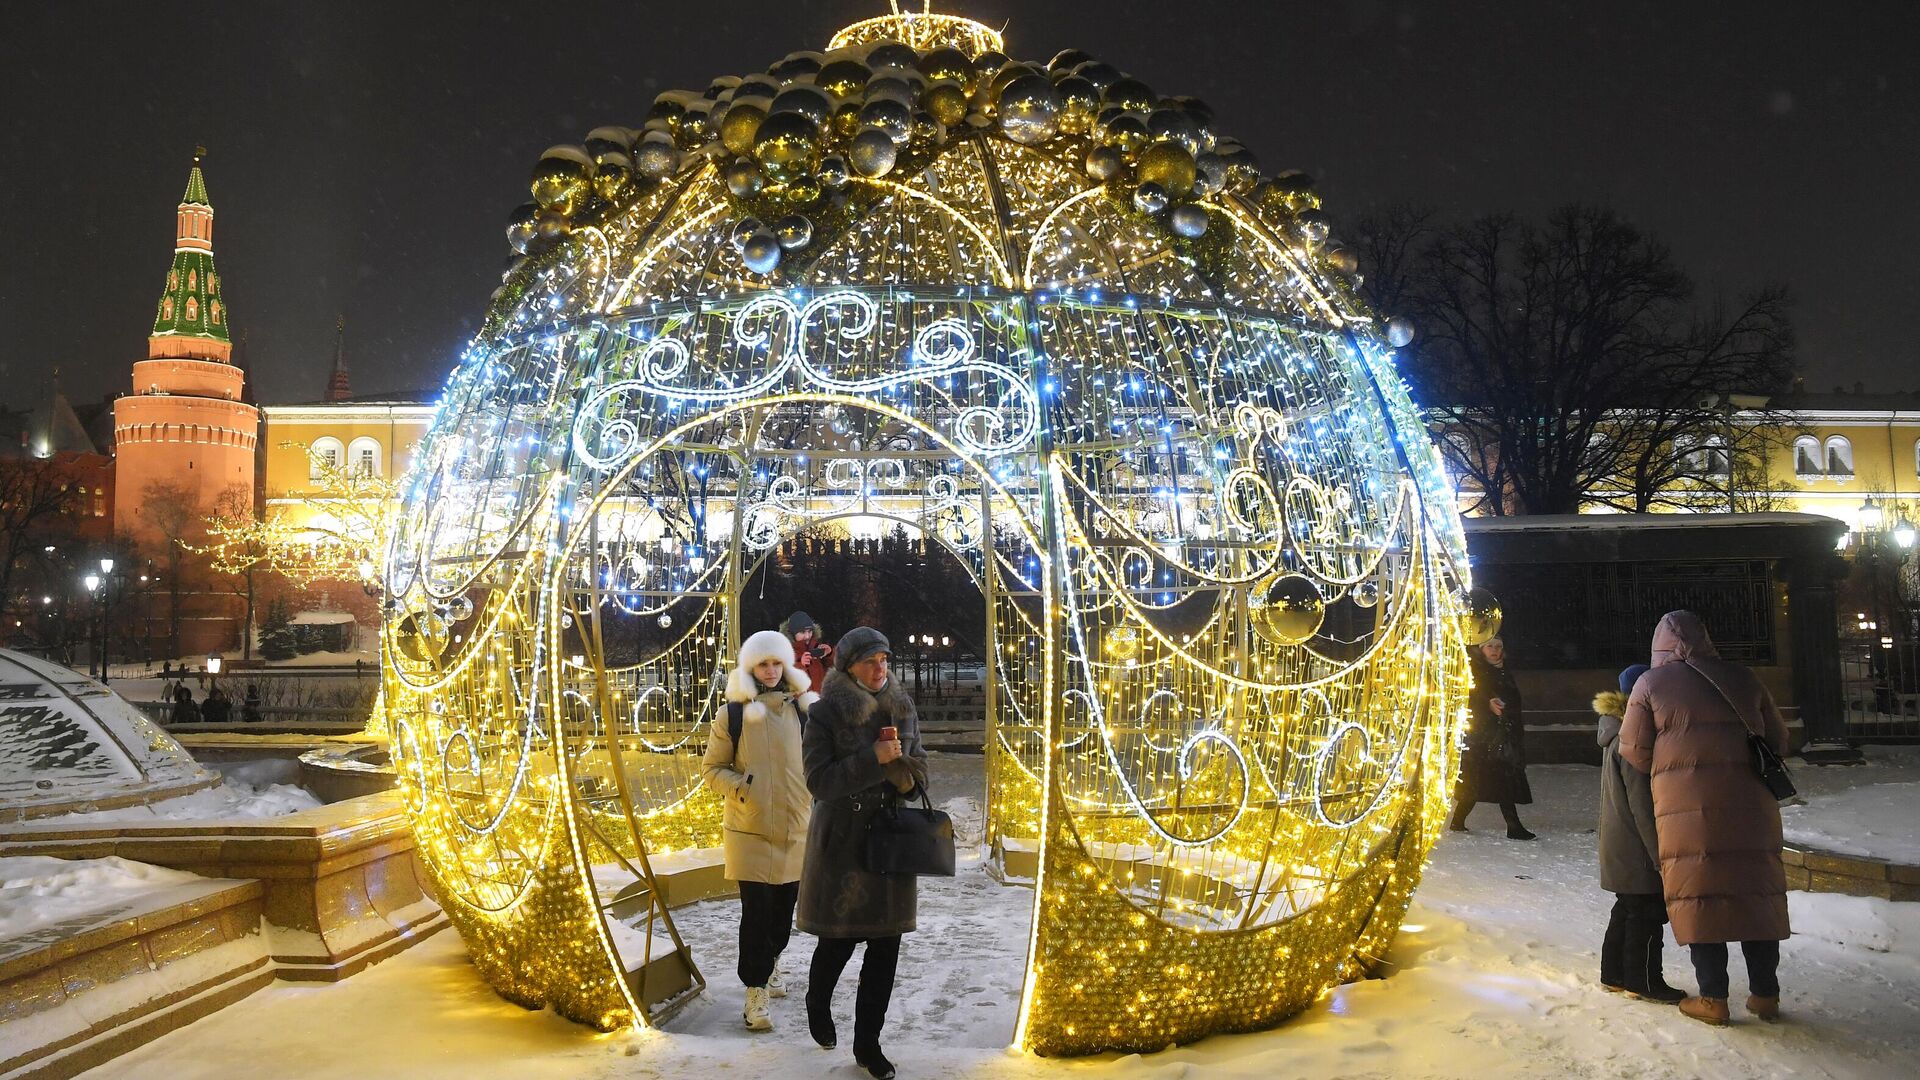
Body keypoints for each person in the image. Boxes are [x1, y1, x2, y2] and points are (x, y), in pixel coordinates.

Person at [1620, 610, 1790, 1026]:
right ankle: (1765, 995)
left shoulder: (1650, 684)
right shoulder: (1744, 678)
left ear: (1659, 646)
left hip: (1687, 810)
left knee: (1701, 894)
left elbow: (1633, 749)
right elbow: (1779, 739)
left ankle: (1713, 998)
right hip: (1751, 806)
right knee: (1755, 895)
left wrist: (1677, 762)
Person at [797, 627, 927, 1080]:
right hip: (844, 843)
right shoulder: (825, 713)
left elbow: (920, 768)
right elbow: (819, 781)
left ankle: (868, 1044)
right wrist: (873, 759)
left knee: (885, 946)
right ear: (849, 666)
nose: (880, 669)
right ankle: (817, 999)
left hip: (890, 843)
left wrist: (905, 776)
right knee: (839, 938)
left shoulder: (902, 705)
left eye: (885, 660)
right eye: (871, 661)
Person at [700, 629, 817, 1033]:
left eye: (776, 663)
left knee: (784, 914)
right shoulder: (732, 712)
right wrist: (743, 788)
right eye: (762, 663)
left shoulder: (804, 708)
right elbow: (711, 769)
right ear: (751, 666)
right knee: (756, 914)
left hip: (795, 827)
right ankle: (755, 989)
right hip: (749, 828)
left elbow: (818, 763)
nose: (770, 671)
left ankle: (772, 963)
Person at [1595, 663, 1685, 1003]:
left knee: (1628, 908)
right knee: (1646, 914)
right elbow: (1642, 804)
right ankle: (1644, 980)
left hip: (1619, 841)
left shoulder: (1615, 730)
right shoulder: (1631, 739)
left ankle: (1614, 974)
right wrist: (1658, 853)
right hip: (1635, 844)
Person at [1450, 636, 1536, 839]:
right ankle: (1513, 827)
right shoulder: (1475, 671)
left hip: (1502, 734)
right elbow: (1468, 697)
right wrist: (1486, 705)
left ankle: (1458, 820)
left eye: (1498, 646)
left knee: (1482, 781)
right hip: (1483, 736)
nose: (1495, 650)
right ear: (1481, 649)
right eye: (1490, 646)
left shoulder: (1502, 669)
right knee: (1495, 779)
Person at [782, 611, 835, 693]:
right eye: (802, 632)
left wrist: (829, 654)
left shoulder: (816, 646)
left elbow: (833, 670)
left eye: (809, 631)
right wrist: (801, 665)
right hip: (801, 702)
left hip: (822, 699)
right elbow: (785, 678)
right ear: (792, 633)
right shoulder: (786, 652)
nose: (807, 636)